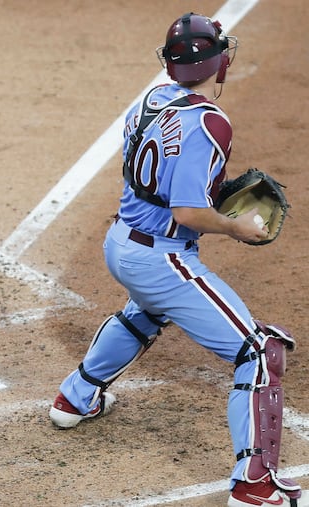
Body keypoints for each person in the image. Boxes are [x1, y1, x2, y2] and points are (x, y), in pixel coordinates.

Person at [48, 12, 306, 507]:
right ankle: (255, 487)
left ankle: (75, 399)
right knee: (259, 352)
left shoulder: (149, 99)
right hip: (161, 260)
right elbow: (187, 210)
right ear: (220, 62)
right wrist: (235, 226)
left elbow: (157, 179)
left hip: (121, 243)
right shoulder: (211, 123)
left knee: (144, 311)